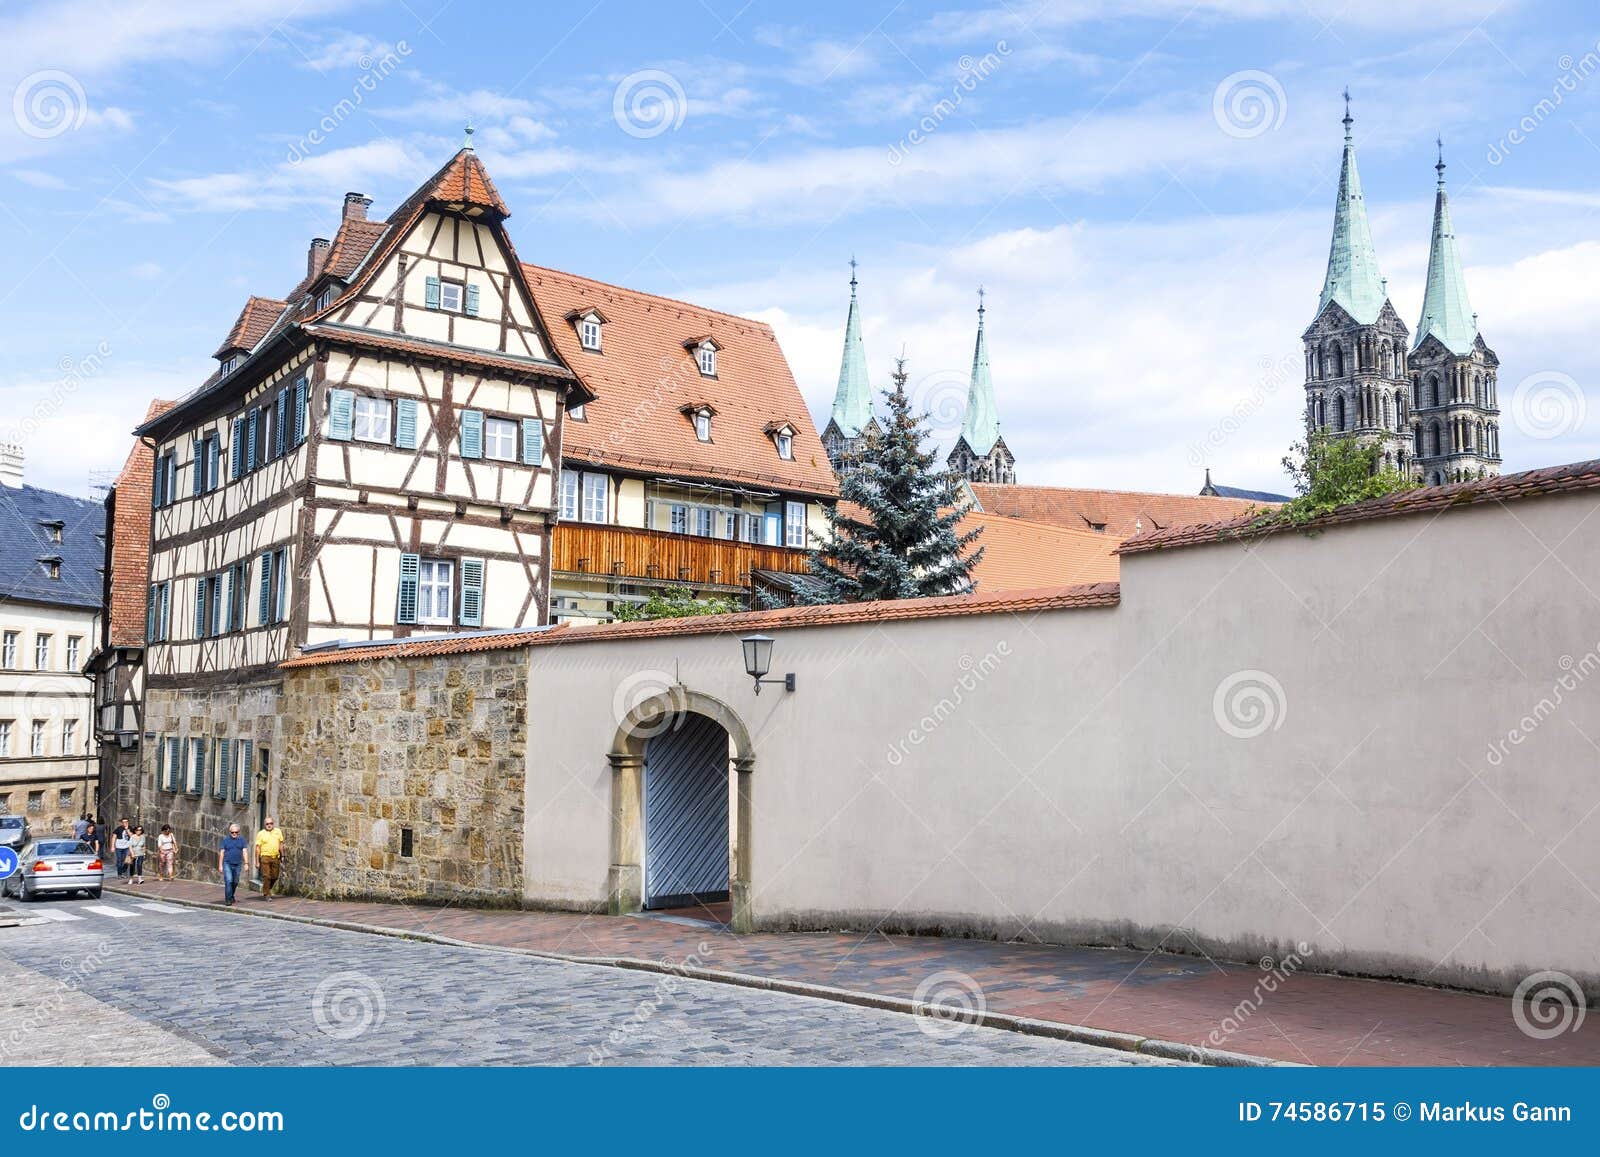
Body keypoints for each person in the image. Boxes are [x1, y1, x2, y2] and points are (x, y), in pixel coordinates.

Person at [218, 823, 249, 906]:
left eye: (236, 832)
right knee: (229, 881)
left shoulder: (242, 840)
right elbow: (222, 853)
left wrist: (246, 863)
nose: (234, 834)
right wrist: (220, 865)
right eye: (232, 832)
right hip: (227, 863)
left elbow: (245, 851)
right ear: (230, 832)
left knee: (235, 882)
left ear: (239, 832)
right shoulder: (226, 840)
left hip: (238, 864)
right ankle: (228, 899)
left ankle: (231, 895)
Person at [254, 817, 283, 900]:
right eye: (267, 824)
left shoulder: (278, 831)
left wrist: (283, 856)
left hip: (275, 857)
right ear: (264, 825)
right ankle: (267, 894)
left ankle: (266, 889)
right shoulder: (261, 833)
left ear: (273, 824)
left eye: (271, 823)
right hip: (265, 857)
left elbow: (281, 844)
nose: (269, 825)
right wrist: (257, 861)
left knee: (275, 876)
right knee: (266, 876)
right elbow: (257, 848)